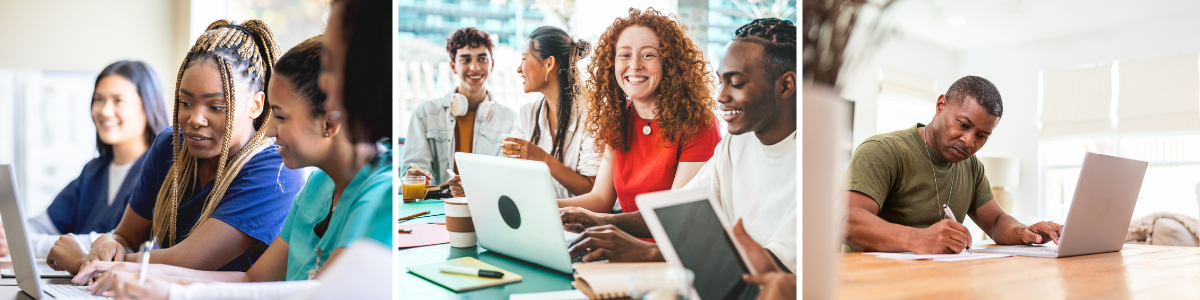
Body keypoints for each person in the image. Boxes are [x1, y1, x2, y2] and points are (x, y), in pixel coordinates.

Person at [88, 0, 394, 298]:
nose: (271, 129)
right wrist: (150, 280)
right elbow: (254, 280)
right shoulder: (317, 186)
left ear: (331, 119)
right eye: (184, 102)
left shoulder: (369, 189)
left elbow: (322, 293)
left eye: (282, 116)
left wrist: (113, 270)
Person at [45, 19, 305, 275]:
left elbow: (190, 260)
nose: (195, 119)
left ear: (256, 105)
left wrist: (85, 262)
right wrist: (109, 244)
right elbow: (126, 236)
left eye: (215, 107)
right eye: (186, 102)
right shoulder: (169, 146)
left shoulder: (276, 169)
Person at [560, 18, 797, 274]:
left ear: (785, 85)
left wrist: (645, 252)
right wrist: (597, 220)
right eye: (721, 82)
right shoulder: (736, 143)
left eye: (736, 83)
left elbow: (774, 266)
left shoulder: (811, 165)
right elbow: (677, 211)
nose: (721, 97)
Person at [843, 75, 1064, 254]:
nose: (969, 141)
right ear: (941, 105)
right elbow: (849, 221)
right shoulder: (883, 151)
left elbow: (996, 221)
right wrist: (919, 238)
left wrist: (1024, 231)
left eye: (982, 135)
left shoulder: (971, 166)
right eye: (963, 124)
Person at [557, 8, 721, 219]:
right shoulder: (618, 117)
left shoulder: (698, 124)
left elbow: (676, 216)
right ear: (612, 63)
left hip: (667, 248)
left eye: (648, 55)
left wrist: (603, 223)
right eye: (624, 55)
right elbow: (600, 199)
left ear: (669, 62)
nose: (634, 65)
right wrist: (547, 205)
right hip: (623, 241)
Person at [0, 61, 170, 258]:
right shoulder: (93, 172)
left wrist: (27, 243)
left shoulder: (159, 171)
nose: (105, 111)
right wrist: (9, 235)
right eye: (99, 100)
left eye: (118, 101)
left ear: (149, 106)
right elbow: (45, 224)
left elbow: (115, 242)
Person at [402, 27, 518, 186]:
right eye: (466, 59)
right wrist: (417, 178)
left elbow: (510, 179)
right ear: (453, 66)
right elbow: (412, 170)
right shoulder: (425, 114)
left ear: (492, 65)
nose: (475, 68)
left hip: (486, 208)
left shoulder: (510, 120)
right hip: (437, 207)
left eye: (482, 59)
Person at [493, 26, 599, 198]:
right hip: (539, 216)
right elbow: (511, 174)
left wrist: (543, 159)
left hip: (583, 222)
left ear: (549, 64)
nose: (519, 69)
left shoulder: (591, 115)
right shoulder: (527, 114)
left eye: (524, 59)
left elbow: (594, 192)